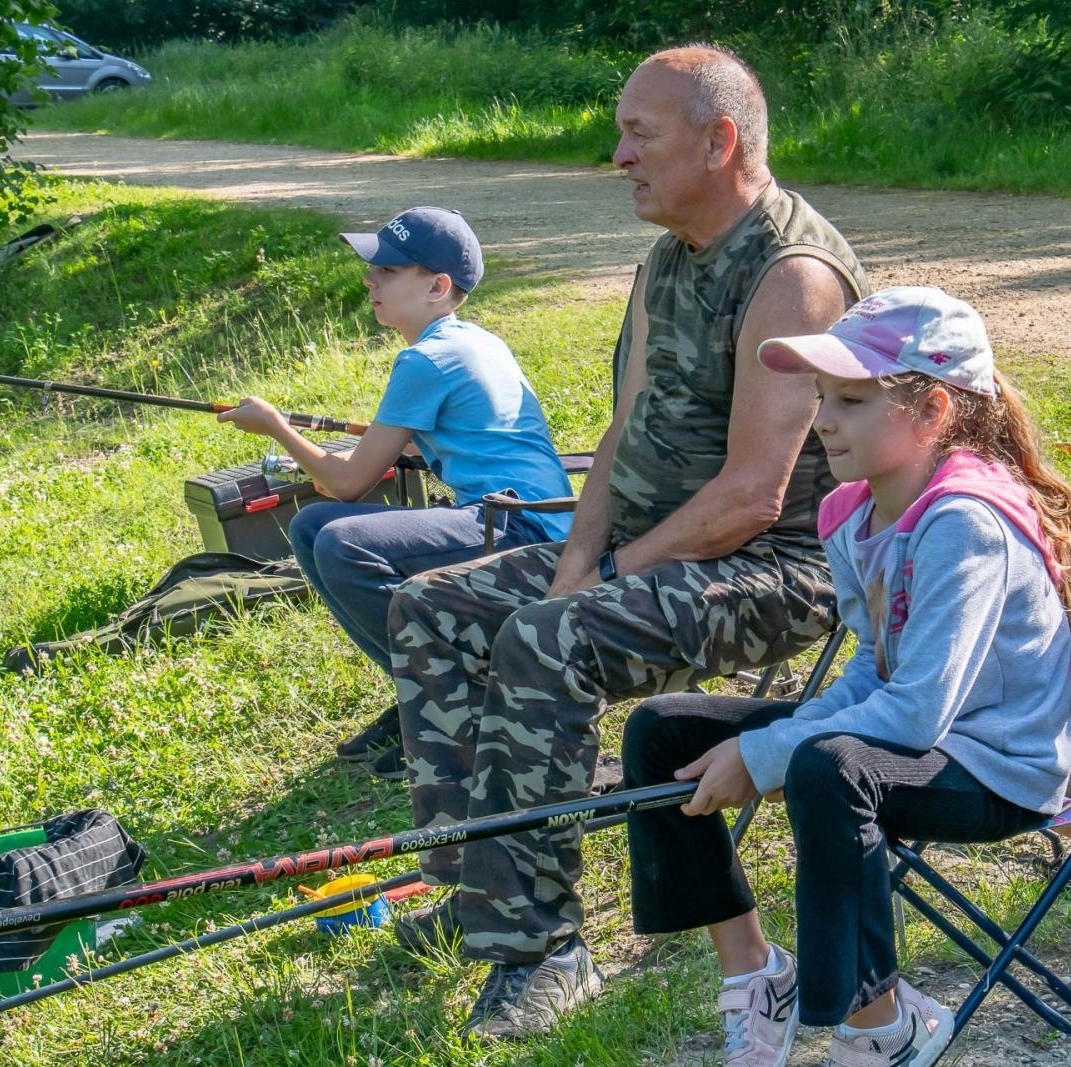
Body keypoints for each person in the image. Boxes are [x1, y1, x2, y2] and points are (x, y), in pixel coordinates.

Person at [386, 45, 867, 1040]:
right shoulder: (664, 260)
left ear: (718, 140)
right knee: (430, 606)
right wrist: (574, 564)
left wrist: (598, 581)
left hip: (772, 570)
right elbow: (623, 429)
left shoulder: (793, 275)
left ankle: (544, 950)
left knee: (545, 643)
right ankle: (482, 888)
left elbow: (748, 494)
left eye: (638, 135)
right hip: (652, 546)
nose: (617, 156)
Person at [622, 286, 1071, 1067]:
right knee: (663, 729)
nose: (823, 419)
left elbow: (913, 713)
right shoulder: (858, 515)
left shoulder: (964, 523)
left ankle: (882, 1024)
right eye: (820, 396)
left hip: (1000, 769)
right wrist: (772, 738)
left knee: (828, 768)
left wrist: (769, 753)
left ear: (934, 410)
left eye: (850, 399)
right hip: (922, 736)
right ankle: (756, 972)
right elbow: (876, 671)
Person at [217, 206, 574, 779]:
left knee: (339, 543)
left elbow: (351, 482)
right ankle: (421, 694)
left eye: (387, 269)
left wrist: (277, 427)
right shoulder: (471, 341)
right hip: (532, 517)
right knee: (314, 527)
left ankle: (462, 705)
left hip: (521, 525)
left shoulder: (427, 359)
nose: (370, 279)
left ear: (437, 287)